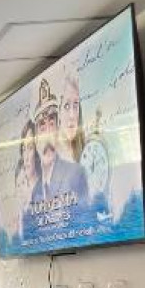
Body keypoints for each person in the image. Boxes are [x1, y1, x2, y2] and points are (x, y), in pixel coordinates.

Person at [29, 78, 89, 207]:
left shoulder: (76, 173)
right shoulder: (36, 191)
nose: (48, 135)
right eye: (42, 128)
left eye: (52, 124)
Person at [58, 71, 85, 162]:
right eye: (66, 106)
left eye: (75, 105)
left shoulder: (83, 150)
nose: (72, 115)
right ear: (59, 111)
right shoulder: (53, 157)